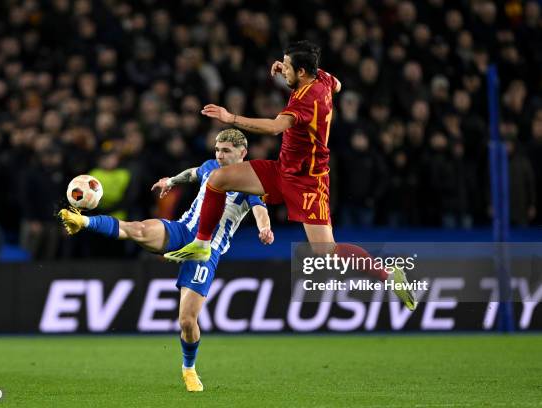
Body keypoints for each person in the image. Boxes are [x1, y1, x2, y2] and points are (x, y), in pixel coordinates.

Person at [164, 40, 417, 310]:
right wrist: (288, 68)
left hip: (309, 182)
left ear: (302, 72)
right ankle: (202, 243)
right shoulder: (322, 78)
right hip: (283, 170)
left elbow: (275, 127)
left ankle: (390, 276)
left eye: (287, 67)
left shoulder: (307, 99)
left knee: (326, 252)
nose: (282, 71)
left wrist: (231, 118)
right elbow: (338, 84)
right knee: (218, 179)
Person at [58, 129, 273, 392]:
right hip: (182, 230)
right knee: (137, 229)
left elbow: (260, 207)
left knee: (187, 322)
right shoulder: (211, 167)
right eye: (218, 149)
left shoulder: (250, 182)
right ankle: (83, 221)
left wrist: (265, 227)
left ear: (243, 153)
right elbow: (194, 172)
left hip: (205, 251)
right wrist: (171, 181)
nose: (220, 155)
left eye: (227, 151)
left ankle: (189, 368)